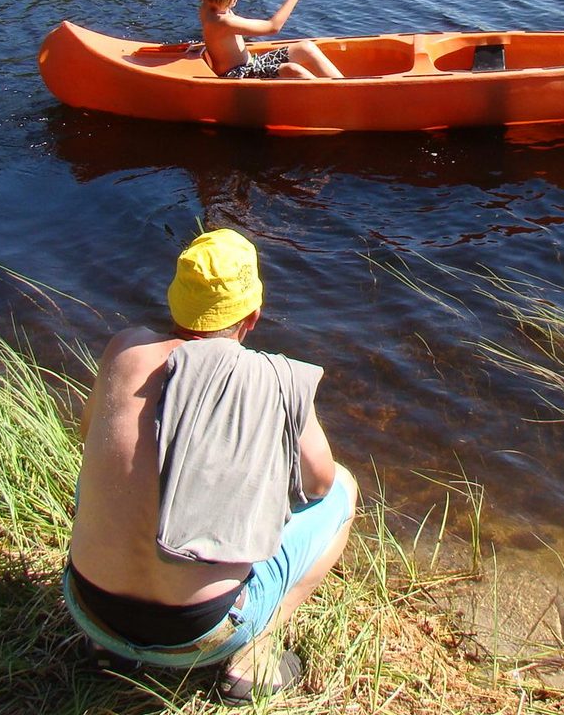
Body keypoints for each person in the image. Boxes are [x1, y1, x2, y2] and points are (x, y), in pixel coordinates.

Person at [64, 228, 355, 704]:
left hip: (90, 607)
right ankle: (252, 660)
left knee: (102, 480)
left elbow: (87, 432)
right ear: (253, 315)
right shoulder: (276, 378)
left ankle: (108, 651)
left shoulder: (125, 349)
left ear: (175, 301)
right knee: (345, 489)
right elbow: (320, 484)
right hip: (200, 633)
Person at [193, 0, 344, 80]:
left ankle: (343, 87)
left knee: (306, 47)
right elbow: (273, 27)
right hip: (237, 75)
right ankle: (332, 95)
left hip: (251, 64)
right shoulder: (223, 22)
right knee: (292, 70)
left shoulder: (208, 5)